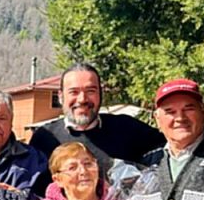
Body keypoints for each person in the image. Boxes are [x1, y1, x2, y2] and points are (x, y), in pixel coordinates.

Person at [30, 63, 163, 176]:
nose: (82, 99)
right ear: (60, 96)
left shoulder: (128, 128)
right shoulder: (44, 138)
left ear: (101, 94)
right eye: (74, 92)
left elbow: (169, 150)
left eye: (90, 91)